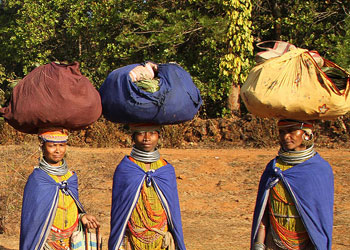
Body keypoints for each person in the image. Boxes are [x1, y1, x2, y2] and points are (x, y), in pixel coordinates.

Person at [251, 119, 334, 250]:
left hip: (306, 244)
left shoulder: (319, 170)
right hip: (274, 242)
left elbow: (319, 217)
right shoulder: (274, 168)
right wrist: (259, 244)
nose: (285, 137)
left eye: (291, 131)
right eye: (282, 132)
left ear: (306, 134)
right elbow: (264, 211)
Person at [109, 123, 186, 250]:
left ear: (159, 136)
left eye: (152, 133)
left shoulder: (165, 169)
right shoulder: (125, 169)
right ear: (132, 137)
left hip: (161, 240)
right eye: (140, 133)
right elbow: (119, 211)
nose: (147, 138)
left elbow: (173, 210)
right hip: (132, 240)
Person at [20, 128, 100, 250]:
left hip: (72, 241)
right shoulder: (37, 179)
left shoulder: (71, 177)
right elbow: (33, 220)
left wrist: (81, 216)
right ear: (42, 147)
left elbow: (72, 206)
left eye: (62, 145)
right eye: (52, 146)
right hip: (47, 243)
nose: (58, 150)